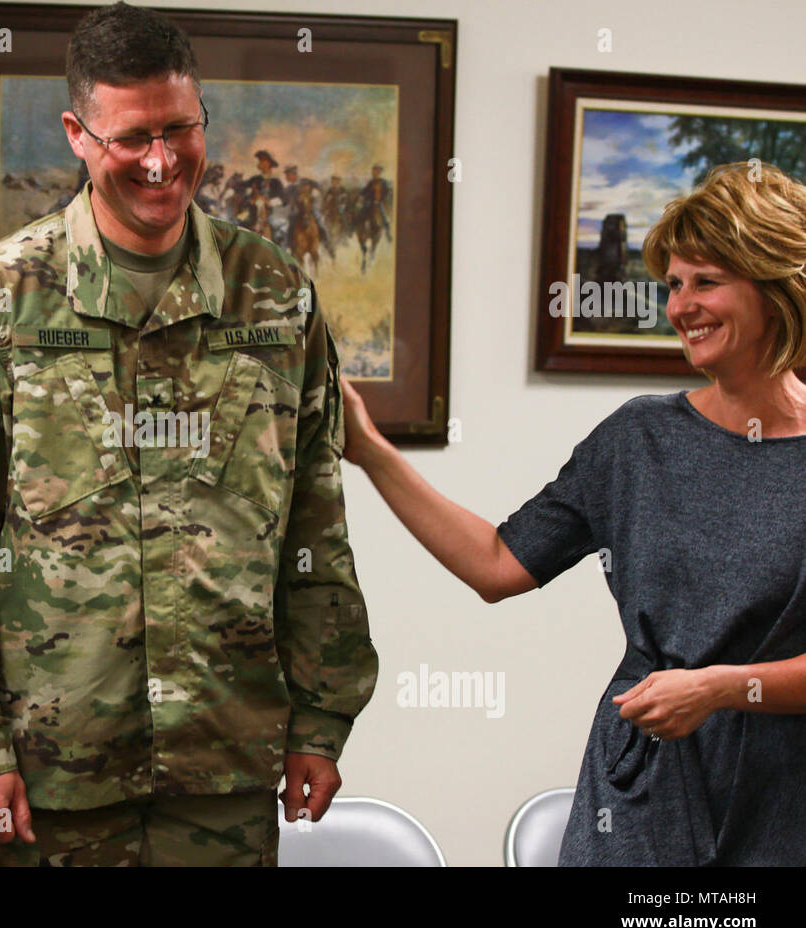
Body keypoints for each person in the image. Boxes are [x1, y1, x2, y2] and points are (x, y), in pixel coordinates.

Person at [0, 1, 376, 867]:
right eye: (131, 137)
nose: (161, 161)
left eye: (180, 129)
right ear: (77, 132)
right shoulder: (2, 297)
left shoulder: (273, 291)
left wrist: (323, 716)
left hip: (223, 763)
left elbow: (315, 523)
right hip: (49, 772)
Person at [340, 161, 806, 866]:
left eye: (706, 282)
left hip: (784, 800)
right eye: (673, 286)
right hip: (644, 797)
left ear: (776, 287)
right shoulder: (637, 441)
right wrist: (373, 453)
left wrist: (720, 688)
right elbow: (497, 564)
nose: (681, 308)